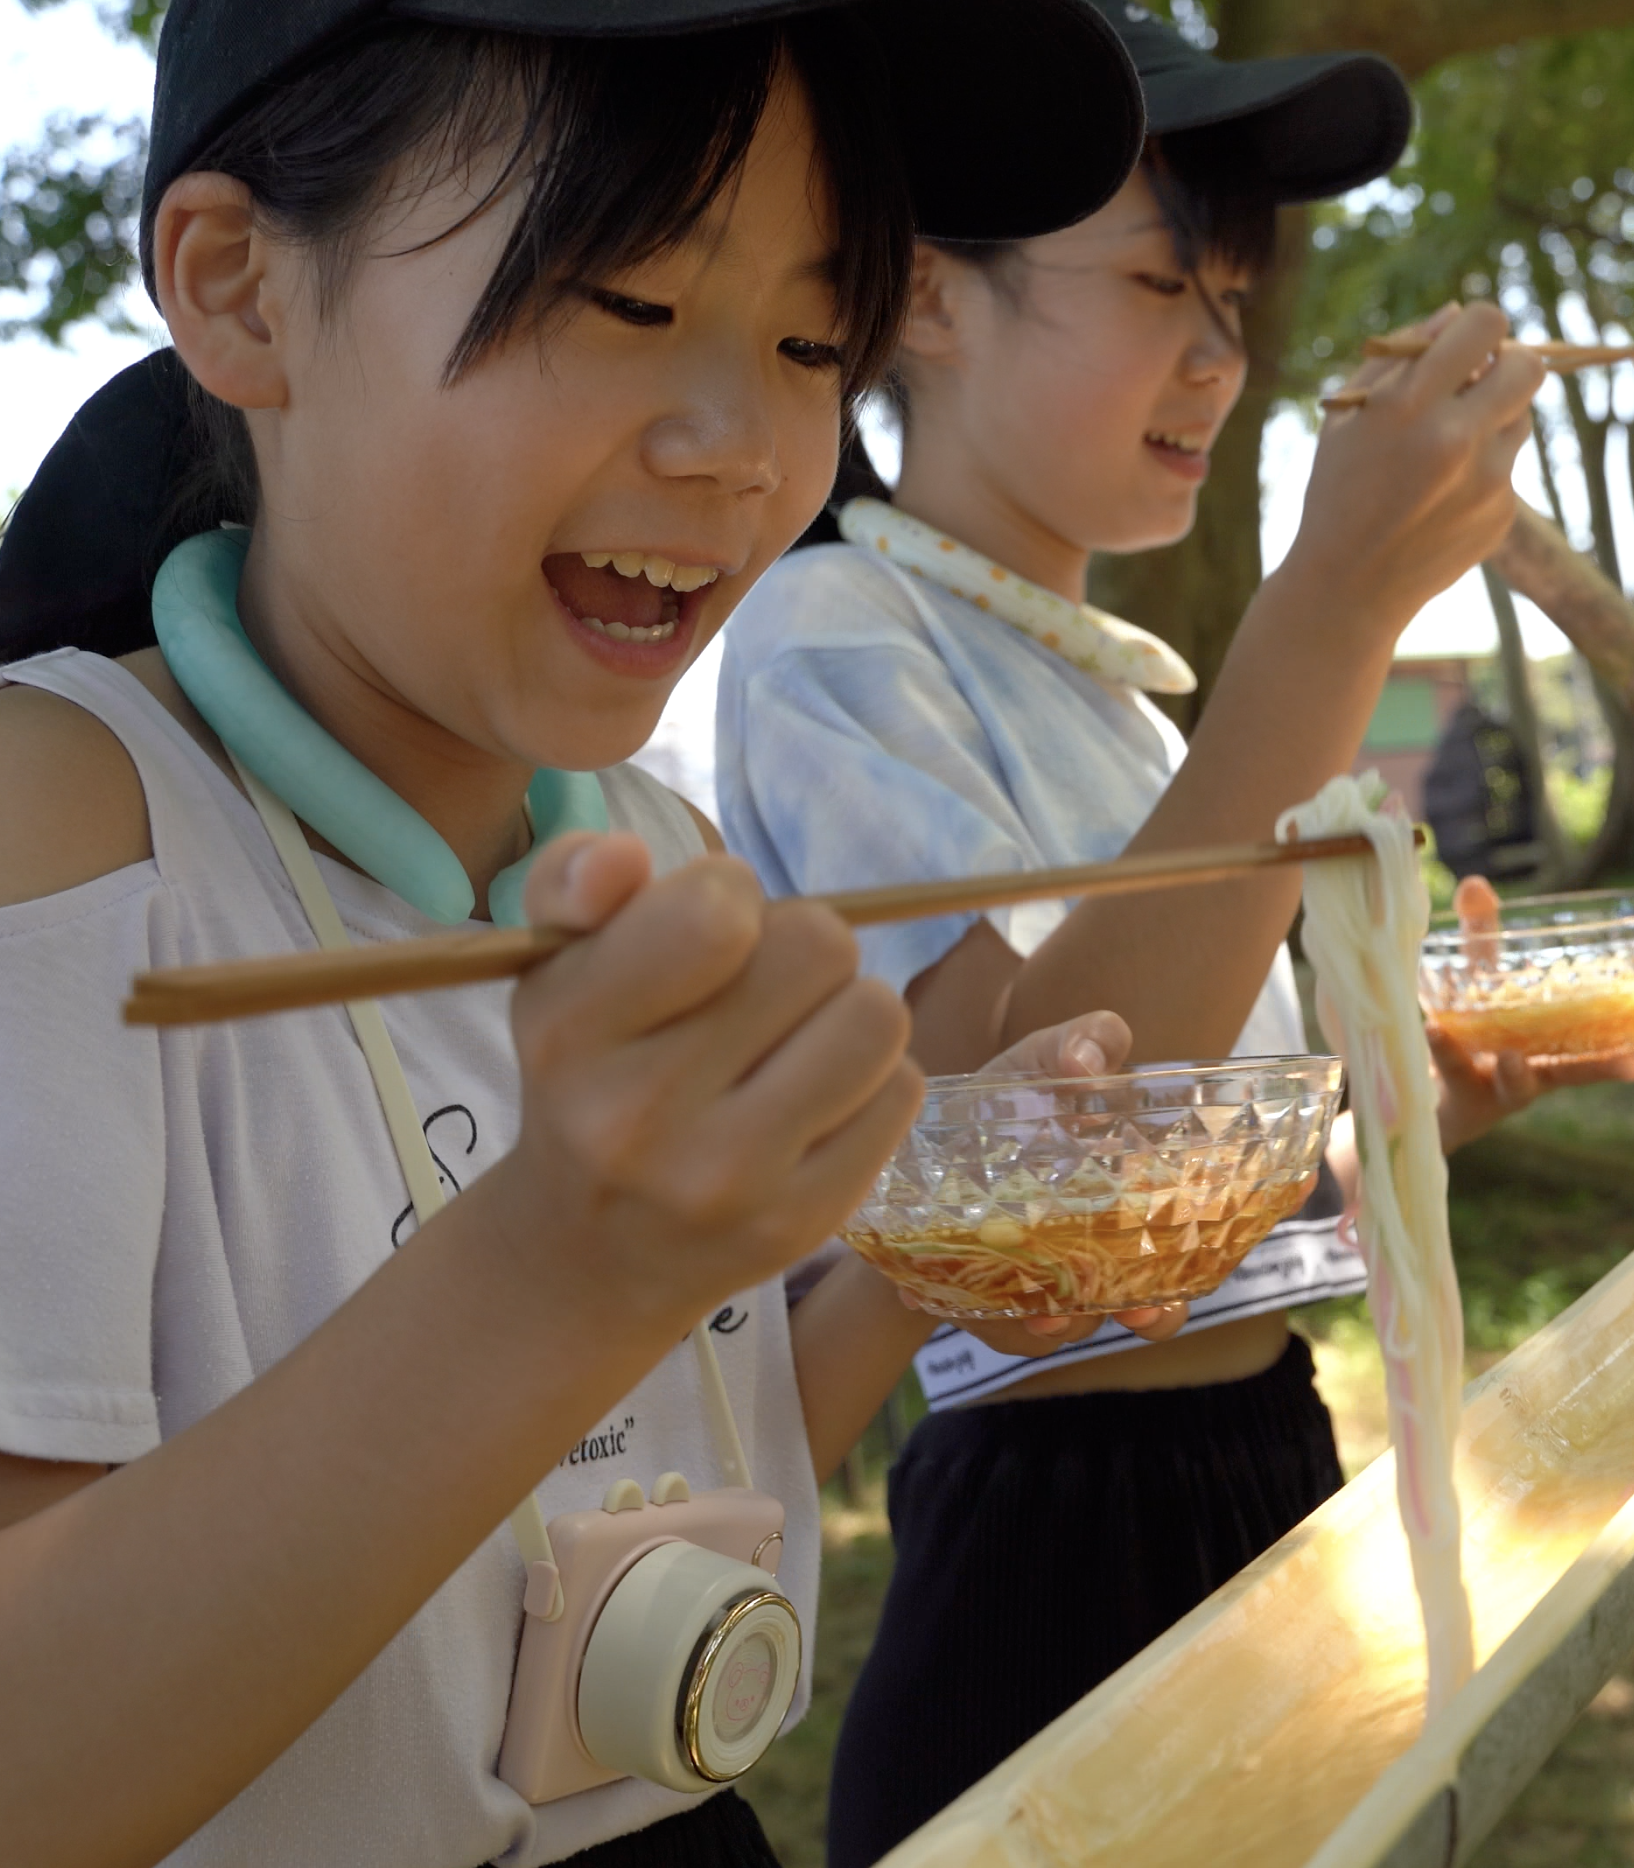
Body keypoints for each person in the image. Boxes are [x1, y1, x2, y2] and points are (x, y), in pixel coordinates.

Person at [0, 3, 1156, 1865]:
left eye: (809, 345)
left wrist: (939, 1237)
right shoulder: (61, 829)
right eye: (626, 297)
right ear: (238, 288)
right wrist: (554, 1264)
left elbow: (705, 1423)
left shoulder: (652, 847)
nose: (742, 450)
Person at [712, 6, 1634, 1861]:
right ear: (923, 298)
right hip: (1054, 1536)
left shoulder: (1139, 712)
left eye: (1236, 308)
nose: (1220, 362)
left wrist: (1416, 1117)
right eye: (1163, 283)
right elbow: (1039, 1157)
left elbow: (1193, 1219)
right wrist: (1331, 610)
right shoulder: (835, 636)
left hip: (1272, 1459)